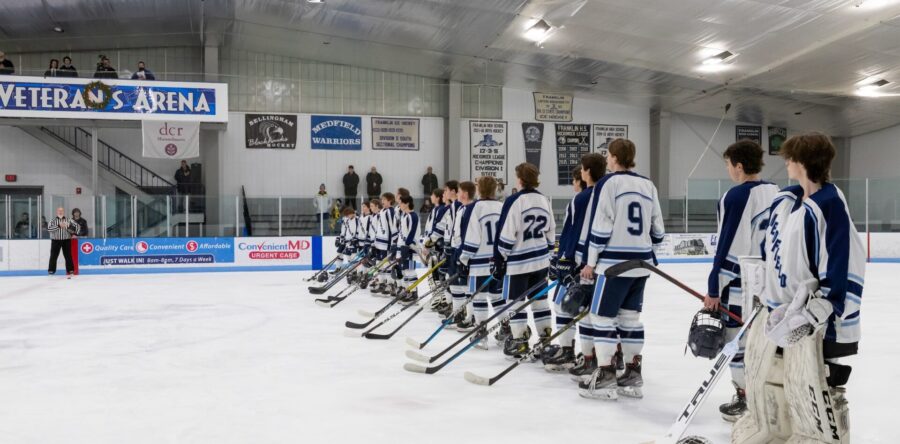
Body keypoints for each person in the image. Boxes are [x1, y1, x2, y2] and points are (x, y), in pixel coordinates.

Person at [735, 133, 863, 443]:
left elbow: (839, 265)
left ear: (804, 162)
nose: (787, 163)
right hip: (780, 315)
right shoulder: (787, 200)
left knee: (814, 391)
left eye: (791, 158)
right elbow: (774, 257)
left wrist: (815, 313)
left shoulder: (829, 204)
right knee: (776, 383)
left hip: (816, 324)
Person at [577, 138, 664, 401]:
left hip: (613, 266)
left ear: (613, 158)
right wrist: (649, 253)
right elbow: (658, 230)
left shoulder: (608, 183)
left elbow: (601, 226)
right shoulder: (648, 185)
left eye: (608, 155)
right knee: (630, 320)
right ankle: (633, 372)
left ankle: (605, 374)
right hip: (641, 265)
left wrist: (591, 262)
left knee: (601, 318)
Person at [702, 140, 778, 421]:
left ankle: (746, 399)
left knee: (736, 341)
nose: (728, 170)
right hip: (772, 283)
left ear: (739, 165)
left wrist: (714, 287)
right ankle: (766, 396)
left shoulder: (734, 197)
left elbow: (726, 245)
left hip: (741, 283)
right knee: (765, 342)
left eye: (728, 165)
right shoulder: (778, 192)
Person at [543, 155, 607, 372]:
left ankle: (568, 352)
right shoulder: (609, 194)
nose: (574, 182)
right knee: (594, 311)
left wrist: (562, 260)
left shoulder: (581, 199)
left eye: (575, 177)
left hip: (578, 262)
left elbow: (571, 233)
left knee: (563, 305)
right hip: (602, 263)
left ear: (585, 174)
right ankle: (599, 356)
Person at [492, 163, 557, 358]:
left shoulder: (514, 200)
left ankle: (519, 340)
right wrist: (547, 254)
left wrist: (499, 259)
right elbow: (551, 231)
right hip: (540, 262)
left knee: (515, 302)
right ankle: (545, 337)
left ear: (520, 179)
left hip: (518, 262)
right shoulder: (544, 200)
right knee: (540, 302)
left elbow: (506, 233)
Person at [457, 177, 504, 342]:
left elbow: (471, 237)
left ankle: (481, 332)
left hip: (479, 262)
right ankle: (507, 328)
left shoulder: (474, 208)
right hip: (498, 261)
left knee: (479, 297)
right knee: (497, 296)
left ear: (479, 189)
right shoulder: (502, 206)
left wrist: (463, 259)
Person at [396, 195, 420, 303]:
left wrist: (408, 245)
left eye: (401, 203)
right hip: (404, 247)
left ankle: (413, 293)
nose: (399, 205)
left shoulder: (412, 216)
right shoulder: (405, 216)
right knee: (405, 270)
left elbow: (412, 234)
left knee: (410, 271)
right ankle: (408, 290)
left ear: (406, 203)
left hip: (410, 248)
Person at [47, 207, 75, 276]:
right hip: (55, 240)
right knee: (53, 255)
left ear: (64, 211)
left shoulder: (69, 220)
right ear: (57, 211)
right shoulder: (52, 221)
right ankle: (51, 270)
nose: (60, 211)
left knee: (68, 255)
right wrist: (59, 225)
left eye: (62, 210)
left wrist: (67, 227)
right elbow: (49, 229)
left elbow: (73, 229)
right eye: (59, 210)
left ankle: (70, 270)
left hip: (66, 240)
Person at [333, 206, 360, 275]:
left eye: (347, 214)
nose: (346, 216)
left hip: (352, 241)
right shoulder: (346, 219)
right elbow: (344, 231)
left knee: (352, 257)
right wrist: (339, 238)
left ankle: (354, 271)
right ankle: (338, 268)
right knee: (340, 253)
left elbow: (358, 231)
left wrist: (355, 239)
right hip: (345, 240)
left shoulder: (357, 219)